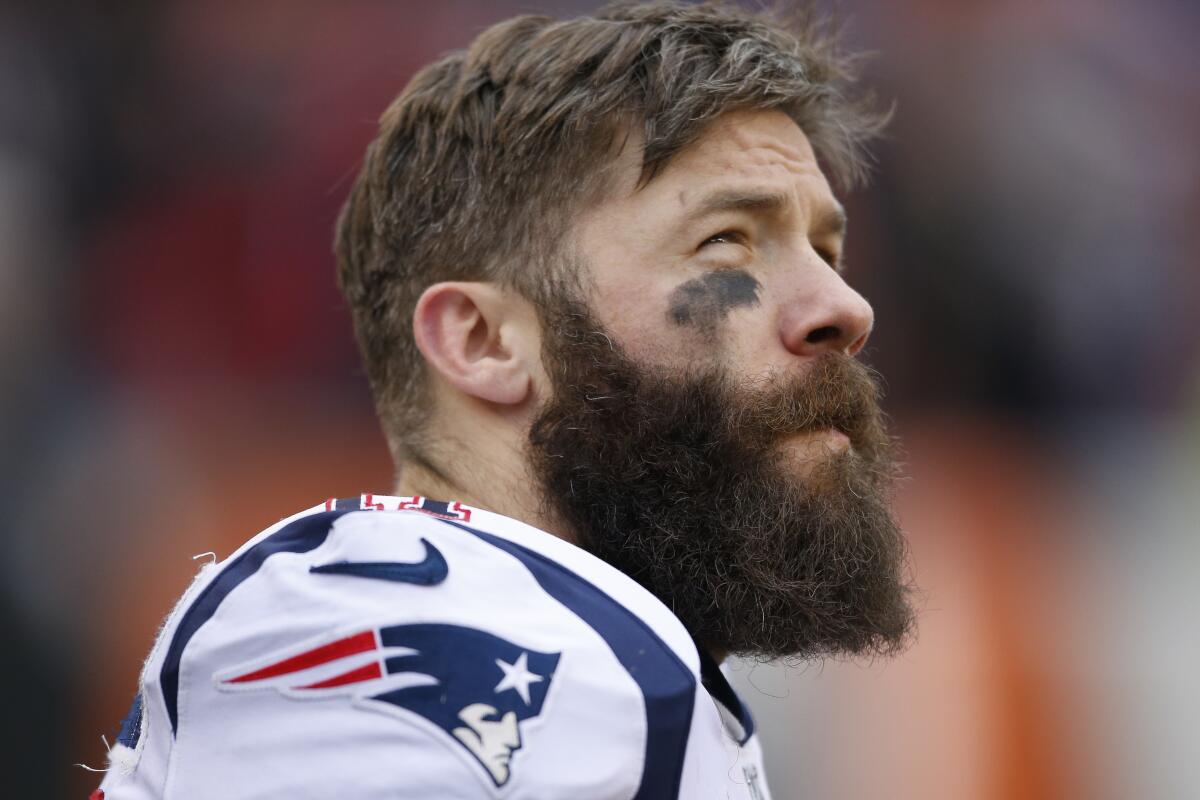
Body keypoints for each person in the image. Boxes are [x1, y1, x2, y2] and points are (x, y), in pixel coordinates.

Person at [94, 2, 915, 797]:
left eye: (827, 249)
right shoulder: (417, 631)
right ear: (482, 341)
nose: (846, 307)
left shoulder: (582, 654)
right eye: (726, 241)